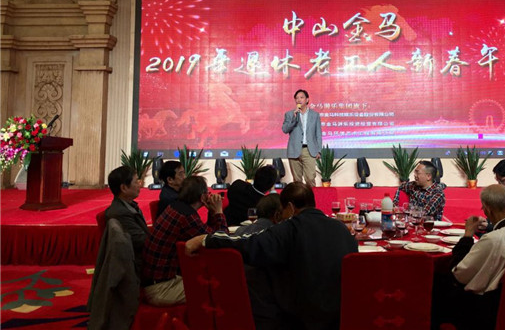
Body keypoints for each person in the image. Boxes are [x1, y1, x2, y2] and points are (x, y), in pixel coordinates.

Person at [186, 182, 357, 330]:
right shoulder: (341, 229)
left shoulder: (290, 228)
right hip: (340, 315)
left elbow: (249, 244)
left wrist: (206, 239)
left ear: (290, 208)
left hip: (301, 317)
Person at [441, 184, 505, 329]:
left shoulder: (494, 240)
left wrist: (467, 236)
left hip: (490, 310)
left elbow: (459, 275)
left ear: (487, 210)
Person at [141, 176, 227, 306]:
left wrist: (212, 211)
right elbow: (220, 240)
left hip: (158, 281)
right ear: (203, 197)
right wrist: (219, 211)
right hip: (162, 289)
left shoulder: (175, 207)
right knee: (220, 287)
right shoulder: (186, 217)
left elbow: (207, 234)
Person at [105, 166, 150, 277]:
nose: (139, 184)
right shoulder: (120, 213)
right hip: (137, 267)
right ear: (124, 188)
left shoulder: (130, 206)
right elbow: (142, 241)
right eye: (136, 182)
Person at [281, 89, 322, 187]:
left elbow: (318, 134)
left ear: (307, 100)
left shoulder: (315, 115)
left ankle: (311, 197)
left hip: (309, 150)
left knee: (310, 178)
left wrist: (319, 150)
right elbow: (285, 129)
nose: (299, 100)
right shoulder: (290, 114)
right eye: (297, 98)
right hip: (294, 150)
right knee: (297, 181)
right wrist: (294, 118)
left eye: (301, 97)